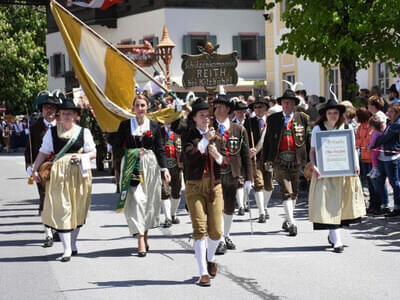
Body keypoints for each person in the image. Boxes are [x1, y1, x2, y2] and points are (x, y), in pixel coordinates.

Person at [32, 98, 96, 262]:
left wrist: (82, 156)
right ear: (59, 115)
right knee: (63, 209)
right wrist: (34, 169)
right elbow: (43, 152)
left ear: (75, 115)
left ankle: (73, 243)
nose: (66, 116)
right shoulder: (52, 132)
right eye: (63, 113)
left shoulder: (84, 132)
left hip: (79, 175)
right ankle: (66, 249)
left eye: (70, 113)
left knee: (78, 209)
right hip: (59, 175)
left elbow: (93, 152)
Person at [115, 94, 170, 257]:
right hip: (132, 165)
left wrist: (164, 169)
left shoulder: (154, 126)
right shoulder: (125, 125)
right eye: (137, 105)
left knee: (148, 202)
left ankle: (145, 235)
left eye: (143, 105)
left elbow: (160, 149)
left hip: (150, 166)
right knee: (137, 201)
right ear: (133, 108)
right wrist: (131, 153)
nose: (140, 109)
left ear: (147, 107)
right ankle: (140, 238)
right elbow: (116, 147)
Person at [308, 100, 365, 253]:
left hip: (343, 172)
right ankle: (337, 240)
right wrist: (314, 165)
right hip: (324, 173)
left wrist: (356, 165)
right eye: (329, 113)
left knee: (340, 205)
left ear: (340, 114)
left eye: (335, 113)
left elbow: (352, 149)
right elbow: (312, 151)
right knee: (328, 204)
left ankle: (333, 235)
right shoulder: (317, 129)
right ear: (325, 115)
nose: (333, 116)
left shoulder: (346, 128)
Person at [181, 98, 224, 287]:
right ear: (194, 118)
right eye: (202, 115)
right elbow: (189, 157)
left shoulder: (217, 135)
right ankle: (203, 273)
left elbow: (225, 162)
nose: (206, 118)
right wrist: (204, 141)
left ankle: (210, 257)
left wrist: (218, 156)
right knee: (199, 229)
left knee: (216, 232)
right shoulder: (188, 135)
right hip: (194, 185)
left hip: (214, 186)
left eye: (208, 115)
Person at [263, 89, 310, 236]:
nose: (287, 104)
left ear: (295, 104)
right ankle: (292, 223)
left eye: (290, 102)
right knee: (286, 192)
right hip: (279, 160)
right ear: (281, 104)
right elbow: (267, 141)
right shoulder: (273, 119)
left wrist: (308, 161)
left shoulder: (303, 118)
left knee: (294, 193)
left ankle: (287, 219)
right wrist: (266, 160)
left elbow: (307, 141)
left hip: (296, 159)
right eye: (284, 102)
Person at [212, 94, 252, 254]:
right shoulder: (209, 128)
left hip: (233, 173)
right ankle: (219, 238)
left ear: (228, 109)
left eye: (221, 106)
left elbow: (245, 155)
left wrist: (249, 178)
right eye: (216, 106)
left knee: (229, 207)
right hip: (215, 174)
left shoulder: (239, 129)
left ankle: (226, 235)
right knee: (217, 206)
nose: (217, 109)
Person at [25, 90, 62, 247]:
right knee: (45, 199)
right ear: (41, 110)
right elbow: (29, 150)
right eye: (46, 107)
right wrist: (30, 168)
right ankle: (48, 233)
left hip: (61, 168)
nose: (50, 110)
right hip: (42, 170)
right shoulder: (35, 128)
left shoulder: (63, 125)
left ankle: (57, 229)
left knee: (59, 200)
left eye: (52, 107)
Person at [244, 96, 272, 223]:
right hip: (255, 158)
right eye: (255, 107)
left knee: (269, 186)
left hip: (269, 158)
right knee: (258, 184)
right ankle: (261, 212)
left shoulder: (272, 122)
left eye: (261, 107)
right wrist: (249, 149)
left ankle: (264, 206)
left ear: (266, 108)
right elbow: (243, 140)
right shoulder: (249, 122)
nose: (258, 109)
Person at [373, 103, 400, 217]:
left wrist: (375, 142)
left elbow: (384, 138)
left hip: (391, 158)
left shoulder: (397, 124)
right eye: (388, 111)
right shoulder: (390, 123)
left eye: (391, 112)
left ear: (397, 113)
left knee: (395, 183)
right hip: (383, 157)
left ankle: (397, 207)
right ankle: (386, 205)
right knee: (379, 182)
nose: (388, 114)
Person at [160, 122, 183, 228]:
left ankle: (173, 214)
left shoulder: (179, 131)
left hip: (176, 166)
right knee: (164, 192)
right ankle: (167, 218)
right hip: (163, 166)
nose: (168, 122)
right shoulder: (158, 131)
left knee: (176, 192)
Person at [354, 108, 376, 214]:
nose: (355, 118)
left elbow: (367, 141)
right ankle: (371, 204)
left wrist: (360, 142)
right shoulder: (359, 127)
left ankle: (376, 204)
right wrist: (360, 142)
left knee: (373, 183)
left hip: (371, 159)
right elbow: (357, 141)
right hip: (363, 158)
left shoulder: (369, 126)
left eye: (356, 116)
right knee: (368, 182)